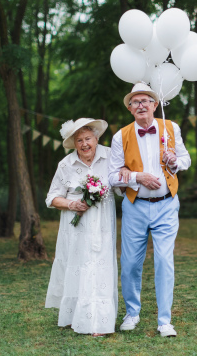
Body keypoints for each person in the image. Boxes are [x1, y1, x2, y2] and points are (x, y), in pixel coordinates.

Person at [109, 82, 191, 337]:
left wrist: (175, 161)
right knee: (131, 262)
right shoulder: (120, 136)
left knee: (164, 260)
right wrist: (136, 178)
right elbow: (112, 177)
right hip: (135, 206)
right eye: (135, 102)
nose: (141, 105)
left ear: (155, 105)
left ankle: (164, 320)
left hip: (167, 204)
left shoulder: (171, 127)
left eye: (146, 100)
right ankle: (132, 313)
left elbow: (186, 160)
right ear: (130, 109)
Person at [45, 118, 128, 337]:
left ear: (97, 138)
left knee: (100, 268)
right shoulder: (65, 164)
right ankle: (75, 317)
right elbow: (52, 198)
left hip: (103, 227)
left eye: (88, 138)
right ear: (74, 144)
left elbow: (121, 188)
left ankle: (98, 323)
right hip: (76, 228)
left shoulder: (111, 156)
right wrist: (71, 204)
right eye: (79, 140)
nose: (84, 144)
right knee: (80, 267)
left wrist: (126, 174)